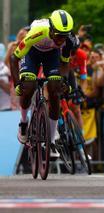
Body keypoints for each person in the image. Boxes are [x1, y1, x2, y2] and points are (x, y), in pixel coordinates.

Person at [10, 9, 74, 157]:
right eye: (58, 35)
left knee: (55, 90)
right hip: (32, 52)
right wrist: (17, 84)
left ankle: (51, 141)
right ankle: (24, 121)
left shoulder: (68, 40)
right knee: (29, 86)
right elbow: (14, 59)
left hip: (51, 55)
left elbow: (65, 63)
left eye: (64, 37)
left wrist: (63, 81)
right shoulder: (37, 32)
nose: (60, 40)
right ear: (51, 29)